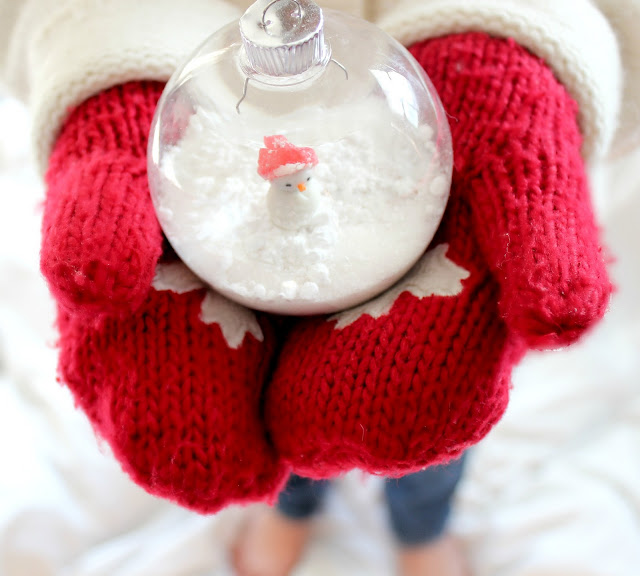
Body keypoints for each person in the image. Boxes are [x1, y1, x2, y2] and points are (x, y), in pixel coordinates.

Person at [1, 1, 636, 575]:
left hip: (417, 168)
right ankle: (292, 506)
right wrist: (110, 55)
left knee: (427, 415)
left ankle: (421, 526)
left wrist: (516, 39)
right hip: (225, 201)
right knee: (267, 415)